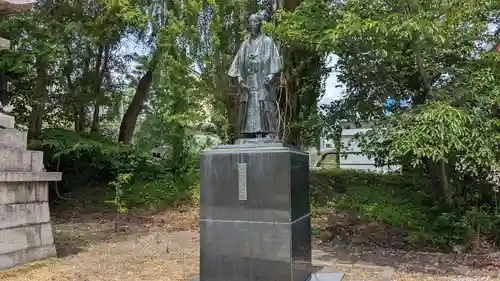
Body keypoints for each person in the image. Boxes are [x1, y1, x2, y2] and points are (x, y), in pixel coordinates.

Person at [228, 13, 281, 139]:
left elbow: (274, 59)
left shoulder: (268, 41)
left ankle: (270, 134)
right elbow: (239, 63)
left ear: (260, 23)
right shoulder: (245, 44)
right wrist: (240, 78)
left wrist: (272, 74)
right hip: (249, 81)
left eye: (255, 22)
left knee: (265, 104)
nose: (253, 25)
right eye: (250, 22)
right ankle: (247, 134)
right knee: (248, 106)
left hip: (263, 80)